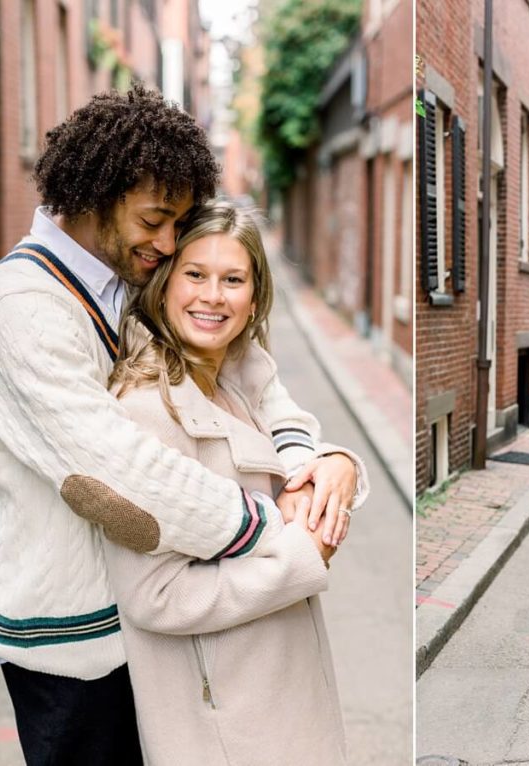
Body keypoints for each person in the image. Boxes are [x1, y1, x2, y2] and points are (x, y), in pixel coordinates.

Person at [0, 84, 366, 765]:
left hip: (138, 637)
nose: (167, 242)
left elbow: (250, 370)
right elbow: (122, 470)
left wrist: (314, 459)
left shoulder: (120, 279)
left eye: (178, 224)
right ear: (96, 192)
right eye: (155, 218)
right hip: (71, 648)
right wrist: (278, 526)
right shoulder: (23, 311)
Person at [101, 200, 350, 764]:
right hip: (225, 723)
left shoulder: (235, 380)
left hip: (284, 689)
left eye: (232, 279)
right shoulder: (146, 411)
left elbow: (294, 455)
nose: (212, 296)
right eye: (195, 274)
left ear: (254, 297)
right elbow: (153, 598)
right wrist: (300, 558)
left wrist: (337, 461)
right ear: (164, 285)